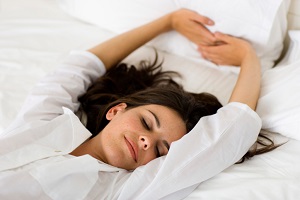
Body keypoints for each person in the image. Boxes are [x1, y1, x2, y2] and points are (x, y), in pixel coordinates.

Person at [0, 8, 276, 199]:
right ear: (116, 110)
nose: (147, 141)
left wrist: (248, 58)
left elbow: (231, 130)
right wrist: (167, 22)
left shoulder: (125, 189)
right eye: (147, 122)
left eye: (160, 149)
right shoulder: (46, 124)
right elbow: (78, 67)